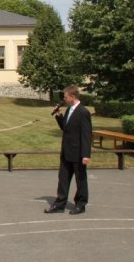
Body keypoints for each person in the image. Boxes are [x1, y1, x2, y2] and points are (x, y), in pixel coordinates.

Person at [45, 85, 92, 215]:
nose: (64, 99)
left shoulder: (83, 112)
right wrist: (59, 115)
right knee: (63, 179)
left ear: (72, 97)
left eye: (65, 97)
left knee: (80, 179)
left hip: (78, 153)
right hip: (66, 151)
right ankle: (60, 204)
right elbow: (65, 128)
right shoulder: (69, 110)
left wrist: (86, 155)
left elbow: (86, 135)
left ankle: (80, 204)